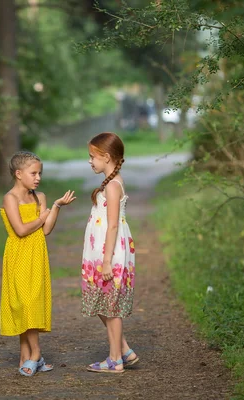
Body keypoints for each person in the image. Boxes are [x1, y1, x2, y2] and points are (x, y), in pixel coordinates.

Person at [0, 151, 76, 377]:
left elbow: (46, 230)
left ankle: (27, 356)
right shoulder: (10, 198)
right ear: (18, 174)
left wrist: (56, 206)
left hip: (37, 254)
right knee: (24, 304)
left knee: (31, 302)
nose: (38, 177)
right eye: (33, 173)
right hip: (18, 255)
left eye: (40, 173)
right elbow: (21, 230)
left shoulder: (39, 197)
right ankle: (36, 354)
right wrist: (42, 217)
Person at [81, 132, 139, 373]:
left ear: (106, 157)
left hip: (110, 253)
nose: (90, 161)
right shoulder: (109, 183)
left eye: (92, 157)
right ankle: (124, 350)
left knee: (111, 306)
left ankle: (115, 359)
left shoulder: (114, 185)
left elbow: (113, 224)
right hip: (100, 251)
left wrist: (107, 261)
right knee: (101, 302)